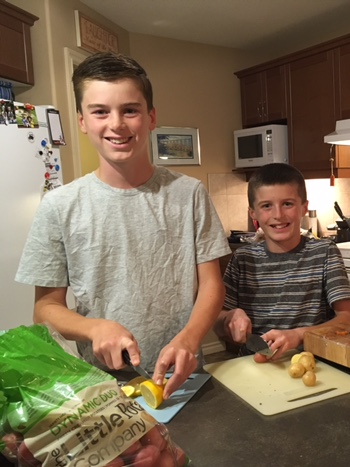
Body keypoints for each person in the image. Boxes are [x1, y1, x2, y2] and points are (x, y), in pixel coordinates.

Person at [15, 52, 231, 398]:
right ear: (82, 120)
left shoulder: (189, 193)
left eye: (130, 110)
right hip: (100, 386)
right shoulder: (59, 206)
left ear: (151, 117)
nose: (116, 124)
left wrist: (189, 340)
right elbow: (45, 310)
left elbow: (211, 285)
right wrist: (95, 327)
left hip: (182, 375)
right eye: (101, 111)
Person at [214, 163, 350, 362]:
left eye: (287, 204)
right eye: (266, 206)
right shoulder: (242, 260)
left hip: (313, 361)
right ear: (253, 213)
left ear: (304, 208)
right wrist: (229, 318)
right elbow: (218, 323)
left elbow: (348, 318)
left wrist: (298, 335)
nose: (278, 215)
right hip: (255, 363)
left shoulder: (324, 253)